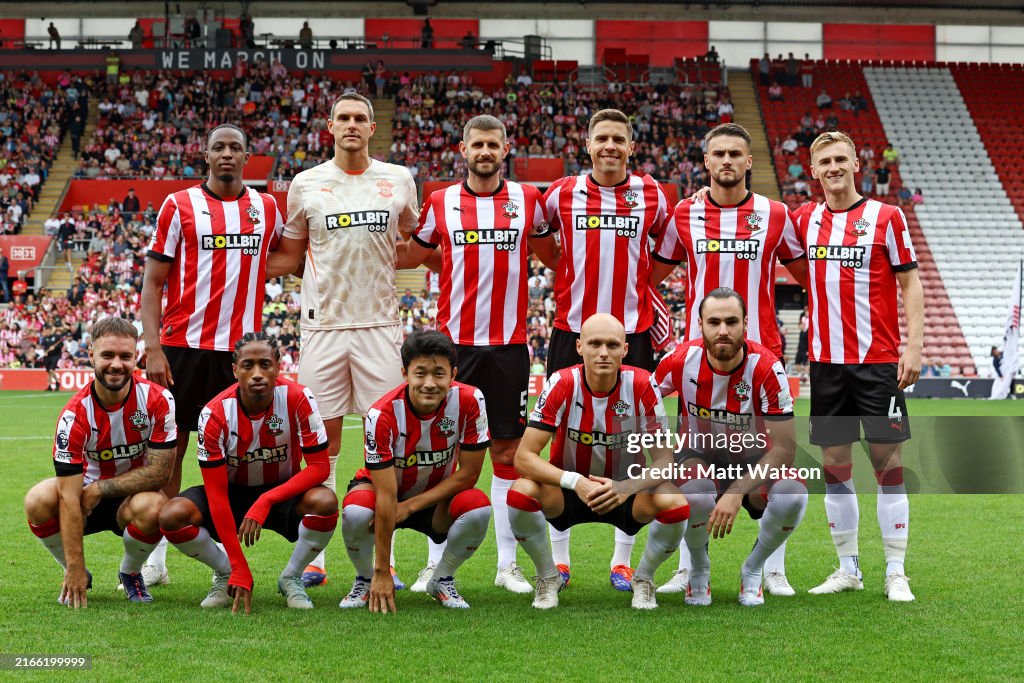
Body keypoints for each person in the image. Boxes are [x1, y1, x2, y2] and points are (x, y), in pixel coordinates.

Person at [397, 115, 559, 594]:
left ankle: (505, 565)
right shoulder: (440, 201)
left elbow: (552, 254)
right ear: (462, 149)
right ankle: (434, 562)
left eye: (493, 144)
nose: (485, 151)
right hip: (453, 347)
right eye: (477, 145)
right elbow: (418, 252)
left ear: (505, 148)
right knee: (442, 453)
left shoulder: (528, 200)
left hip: (508, 347)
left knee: (507, 451)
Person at [266, 91, 420, 588]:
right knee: (322, 446)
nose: (351, 125)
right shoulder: (306, 184)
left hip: (379, 327)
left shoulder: (398, 179)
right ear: (329, 127)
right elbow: (290, 257)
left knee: (385, 446)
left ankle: (385, 558)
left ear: (372, 128)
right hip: (323, 328)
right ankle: (316, 558)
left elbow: (415, 243)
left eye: (360, 118)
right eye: (343, 118)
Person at [650, 123, 806, 595]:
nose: (726, 161)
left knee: (772, 467)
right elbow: (652, 272)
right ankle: (688, 566)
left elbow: (805, 274)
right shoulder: (685, 212)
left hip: (760, 357)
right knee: (694, 461)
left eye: (735, 153)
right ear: (705, 161)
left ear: (748, 160)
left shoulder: (775, 214)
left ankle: (770, 568)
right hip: (702, 358)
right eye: (718, 153)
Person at [141, 123, 285, 586]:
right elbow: (153, 281)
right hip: (183, 347)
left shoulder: (266, 208)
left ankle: (222, 557)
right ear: (205, 155)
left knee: (234, 448)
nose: (227, 154)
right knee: (172, 451)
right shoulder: (179, 205)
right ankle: (156, 554)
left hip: (240, 355)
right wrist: (153, 346)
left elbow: (287, 257)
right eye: (218, 148)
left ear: (248, 158)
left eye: (235, 148)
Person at [541, 108, 674, 591]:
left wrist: (636, 289)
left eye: (620, 138)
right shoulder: (560, 193)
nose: (611, 146)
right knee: (561, 439)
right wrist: (565, 274)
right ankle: (559, 561)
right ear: (588, 144)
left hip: (632, 335)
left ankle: (622, 560)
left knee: (630, 444)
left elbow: (665, 251)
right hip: (570, 329)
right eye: (603, 138)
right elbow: (540, 243)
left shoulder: (653, 194)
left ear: (632, 146)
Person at [797, 131, 922, 602]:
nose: (833, 167)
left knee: (888, 465)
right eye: (824, 161)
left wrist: (913, 347)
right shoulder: (804, 220)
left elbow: (911, 284)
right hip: (826, 366)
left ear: (856, 164)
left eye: (840, 159)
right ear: (813, 170)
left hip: (877, 364)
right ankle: (848, 567)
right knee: (835, 467)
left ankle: (895, 570)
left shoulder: (886, 217)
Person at [508, 313, 690, 610]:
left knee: (676, 502)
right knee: (520, 492)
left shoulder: (643, 384)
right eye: (595, 343)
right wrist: (574, 481)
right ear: (579, 347)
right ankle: (548, 577)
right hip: (568, 493)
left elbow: (665, 463)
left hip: (626, 494)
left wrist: (626, 487)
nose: (603, 352)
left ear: (625, 350)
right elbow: (524, 458)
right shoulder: (562, 382)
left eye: (612, 344)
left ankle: (643, 579)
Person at [158, 333, 336, 613]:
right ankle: (226, 572)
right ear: (234, 370)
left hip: (281, 493)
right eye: (248, 365)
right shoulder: (214, 413)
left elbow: (319, 467)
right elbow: (216, 493)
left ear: (278, 366)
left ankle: (291, 577)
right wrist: (240, 565)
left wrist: (266, 501)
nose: (257, 374)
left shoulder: (299, 398)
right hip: (230, 495)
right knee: (172, 516)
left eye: (265, 364)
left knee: (325, 503)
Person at [654, 288, 805, 607]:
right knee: (694, 491)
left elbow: (784, 450)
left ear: (745, 324)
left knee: (793, 493)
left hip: (754, 462)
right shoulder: (679, 361)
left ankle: (753, 570)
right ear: (700, 325)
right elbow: (642, 407)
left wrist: (736, 492)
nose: (723, 330)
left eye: (731, 322)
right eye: (714, 322)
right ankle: (698, 569)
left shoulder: (766, 367)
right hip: (698, 457)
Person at [23, 317, 177, 607]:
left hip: (132, 498)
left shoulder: (159, 400)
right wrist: (75, 564)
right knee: (37, 500)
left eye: (125, 356)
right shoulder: (74, 416)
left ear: (136, 357)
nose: (116, 364)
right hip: (83, 501)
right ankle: (74, 572)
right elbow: (69, 497)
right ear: (92, 355)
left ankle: (130, 572)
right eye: (107, 355)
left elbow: (160, 473)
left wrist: (101, 488)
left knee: (157, 506)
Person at [338, 331, 492, 611]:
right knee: (357, 511)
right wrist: (383, 569)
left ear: (453, 373)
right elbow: (385, 493)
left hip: (435, 500)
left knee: (478, 507)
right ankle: (365, 578)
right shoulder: (380, 415)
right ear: (404, 373)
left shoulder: (471, 401)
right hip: (385, 496)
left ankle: (442, 579)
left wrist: (409, 507)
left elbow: (469, 475)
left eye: (439, 374)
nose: (429, 383)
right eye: (420, 373)